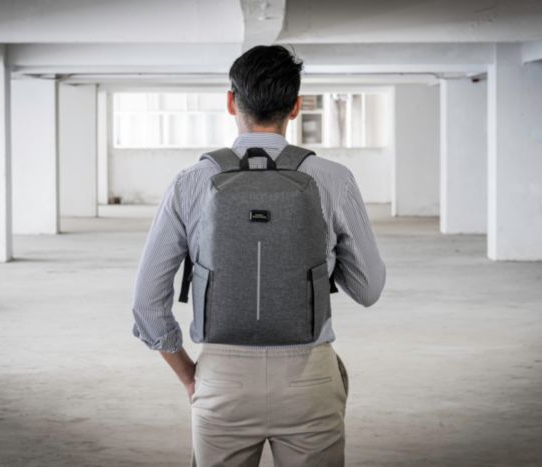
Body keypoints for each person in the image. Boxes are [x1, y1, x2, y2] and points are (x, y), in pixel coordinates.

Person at [131, 45, 386, 467]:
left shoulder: (190, 182)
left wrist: (190, 377)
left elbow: (146, 305)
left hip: (222, 377)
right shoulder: (334, 179)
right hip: (310, 376)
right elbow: (368, 289)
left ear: (231, 102)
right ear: (296, 106)